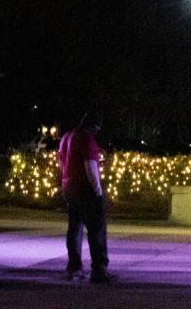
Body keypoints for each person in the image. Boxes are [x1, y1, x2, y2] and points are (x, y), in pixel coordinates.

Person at [58, 111, 111, 283]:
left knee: (74, 227)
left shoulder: (66, 137)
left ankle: (74, 267)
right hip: (85, 190)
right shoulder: (87, 140)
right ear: (95, 127)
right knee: (97, 229)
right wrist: (98, 192)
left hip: (69, 188)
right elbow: (91, 168)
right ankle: (99, 269)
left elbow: (61, 162)